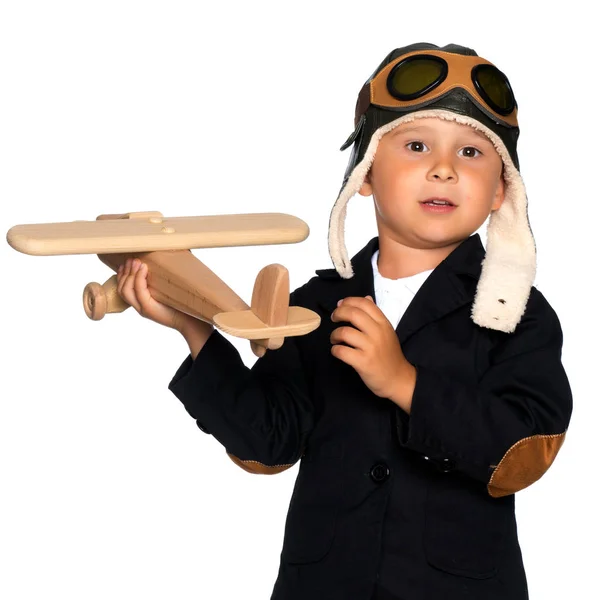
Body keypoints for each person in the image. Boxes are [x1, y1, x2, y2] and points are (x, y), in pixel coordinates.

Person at [115, 43, 573, 600]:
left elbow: (522, 454)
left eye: (473, 153)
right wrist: (196, 332)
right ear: (364, 173)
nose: (444, 168)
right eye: (416, 144)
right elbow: (269, 443)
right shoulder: (317, 305)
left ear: (501, 189)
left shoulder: (513, 312)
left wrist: (405, 383)